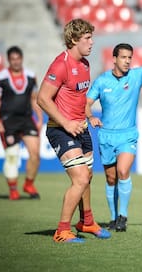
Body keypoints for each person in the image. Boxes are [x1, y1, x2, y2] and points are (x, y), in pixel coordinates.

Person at [85, 33, 142, 232]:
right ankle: (113, 217)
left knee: (123, 171)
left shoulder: (135, 76)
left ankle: (123, 216)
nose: (127, 61)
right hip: (106, 136)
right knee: (111, 178)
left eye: (129, 58)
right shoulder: (102, 81)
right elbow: (87, 103)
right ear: (114, 59)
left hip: (127, 135)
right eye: (123, 57)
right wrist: (91, 117)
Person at [37, 18, 110, 243]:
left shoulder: (85, 64)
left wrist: (88, 117)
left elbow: (79, 99)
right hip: (61, 130)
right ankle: (62, 231)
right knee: (80, 178)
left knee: (87, 177)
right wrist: (67, 123)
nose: (91, 42)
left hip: (81, 128)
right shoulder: (61, 64)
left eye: (91, 37)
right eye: (87, 38)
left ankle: (87, 222)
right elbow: (42, 98)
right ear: (74, 40)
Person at [0, 46, 42, 200]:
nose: (16, 62)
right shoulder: (0, 78)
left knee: (35, 154)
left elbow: (34, 99)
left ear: (21, 59)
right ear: (8, 60)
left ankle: (29, 184)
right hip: (8, 121)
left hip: (27, 119)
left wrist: (39, 118)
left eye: (18, 59)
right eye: (12, 59)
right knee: (12, 155)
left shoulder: (31, 76)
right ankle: (13, 189)